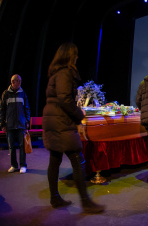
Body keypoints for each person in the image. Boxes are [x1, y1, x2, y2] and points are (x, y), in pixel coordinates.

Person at [42, 42, 104, 213]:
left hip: (53, 120)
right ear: (69, 55)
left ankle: (55, 198)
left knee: (54, 160)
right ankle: (86, 202)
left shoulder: (55, 73)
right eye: (75, 54)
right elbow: (64, 99)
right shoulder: (65, 73)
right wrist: (80, 114)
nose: (77, 57)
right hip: (61, 121)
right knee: (78, 160)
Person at [0, 74, 31, 174]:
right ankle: (13, 165)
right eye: (18, 81)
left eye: (20, 81)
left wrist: (27, 122)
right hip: (10, 125)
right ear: (13, 82)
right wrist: (2, 124)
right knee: (11, 147)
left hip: (21, 124)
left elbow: (27, 109)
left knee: (22, 146)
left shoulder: (23, 93)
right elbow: (1, 110)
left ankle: (22, 165)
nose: (20, 83)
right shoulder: (6, 94)